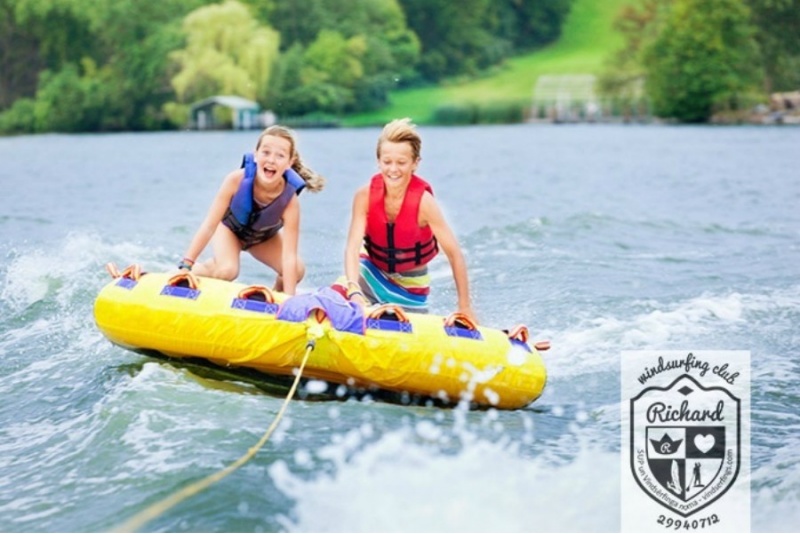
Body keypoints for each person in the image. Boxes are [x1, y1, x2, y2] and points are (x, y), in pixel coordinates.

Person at [343, 117, 475, 322]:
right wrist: (353, 289)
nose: (393, 169)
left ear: (415, 164)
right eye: (387, 162)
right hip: (371, 272)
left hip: (410, 286)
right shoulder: (364, 196)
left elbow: (454, 254)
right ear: (378, 161)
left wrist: (464, 307)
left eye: (401, 163)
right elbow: (352, 248)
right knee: (339, 295)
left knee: (394, 323)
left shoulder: (425, 203)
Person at [178, 125, 324, 295]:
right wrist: (186, 265)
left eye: (280, 155)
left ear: (289, 163)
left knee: (297, 270)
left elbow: (289, 256)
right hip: (230, 230)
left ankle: (277, 295)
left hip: (262, 239)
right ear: (256, 155)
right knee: (227, 271)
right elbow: (210, 225)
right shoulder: (235, 180)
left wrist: (289, 299)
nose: (271, 160)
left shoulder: (290, 202)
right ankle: (193, 271)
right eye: (266, 152)